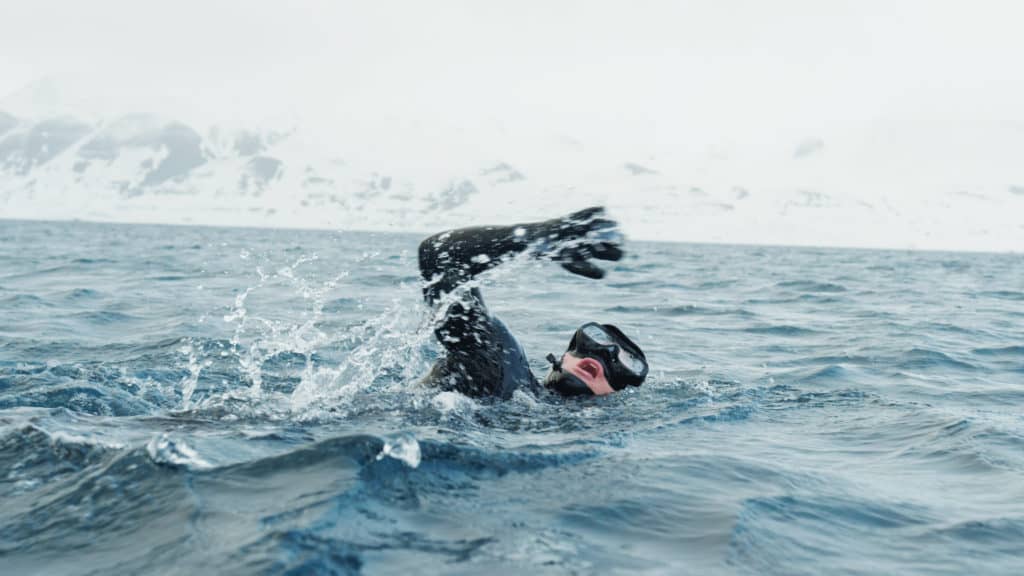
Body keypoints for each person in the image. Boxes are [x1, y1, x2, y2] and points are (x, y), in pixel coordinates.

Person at [418, 206, 648, 399]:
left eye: (626, 363)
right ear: (561, 359)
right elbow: (440, 255)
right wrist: (541, 238)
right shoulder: (505, 370)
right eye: (598, 338)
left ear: (614, 395)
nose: (606, 352)